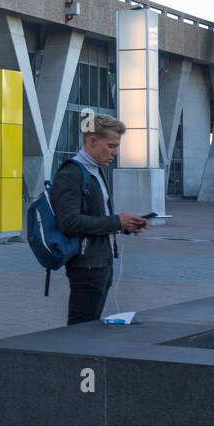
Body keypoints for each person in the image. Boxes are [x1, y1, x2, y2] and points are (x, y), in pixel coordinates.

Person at [51, 114, 148, 325]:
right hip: (86, 265)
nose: (115, 152)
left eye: (117, 146)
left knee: (89, 327)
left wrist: (126, 225)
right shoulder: (72, 174)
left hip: (100, 262)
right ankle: (70, 359)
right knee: (81, 328)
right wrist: (116, 222)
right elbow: (69, 222)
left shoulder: (94, 170)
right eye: (111, 146)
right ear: (92, 141)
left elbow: (96, 217)